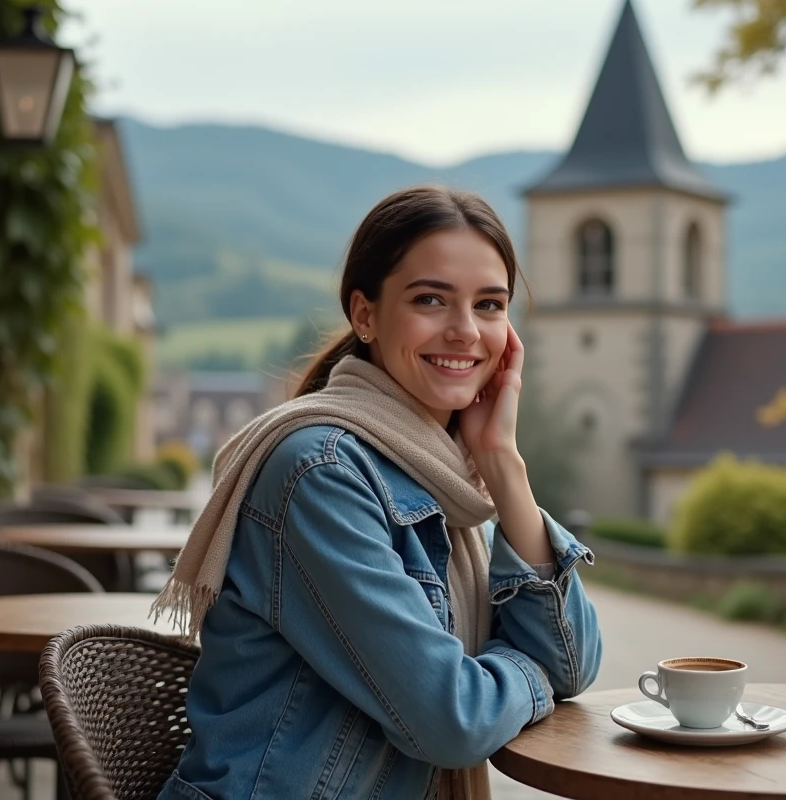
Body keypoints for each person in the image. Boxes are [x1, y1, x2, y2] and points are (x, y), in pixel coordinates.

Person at [154, 186, 602, 800]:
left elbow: (573, 662)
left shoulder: (449, 478)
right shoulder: (320, 473)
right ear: (364, 314)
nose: (466, 331)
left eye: (490, 305)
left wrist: (504, 465)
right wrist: (531, 669)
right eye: (430, 300)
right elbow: (453, 721)